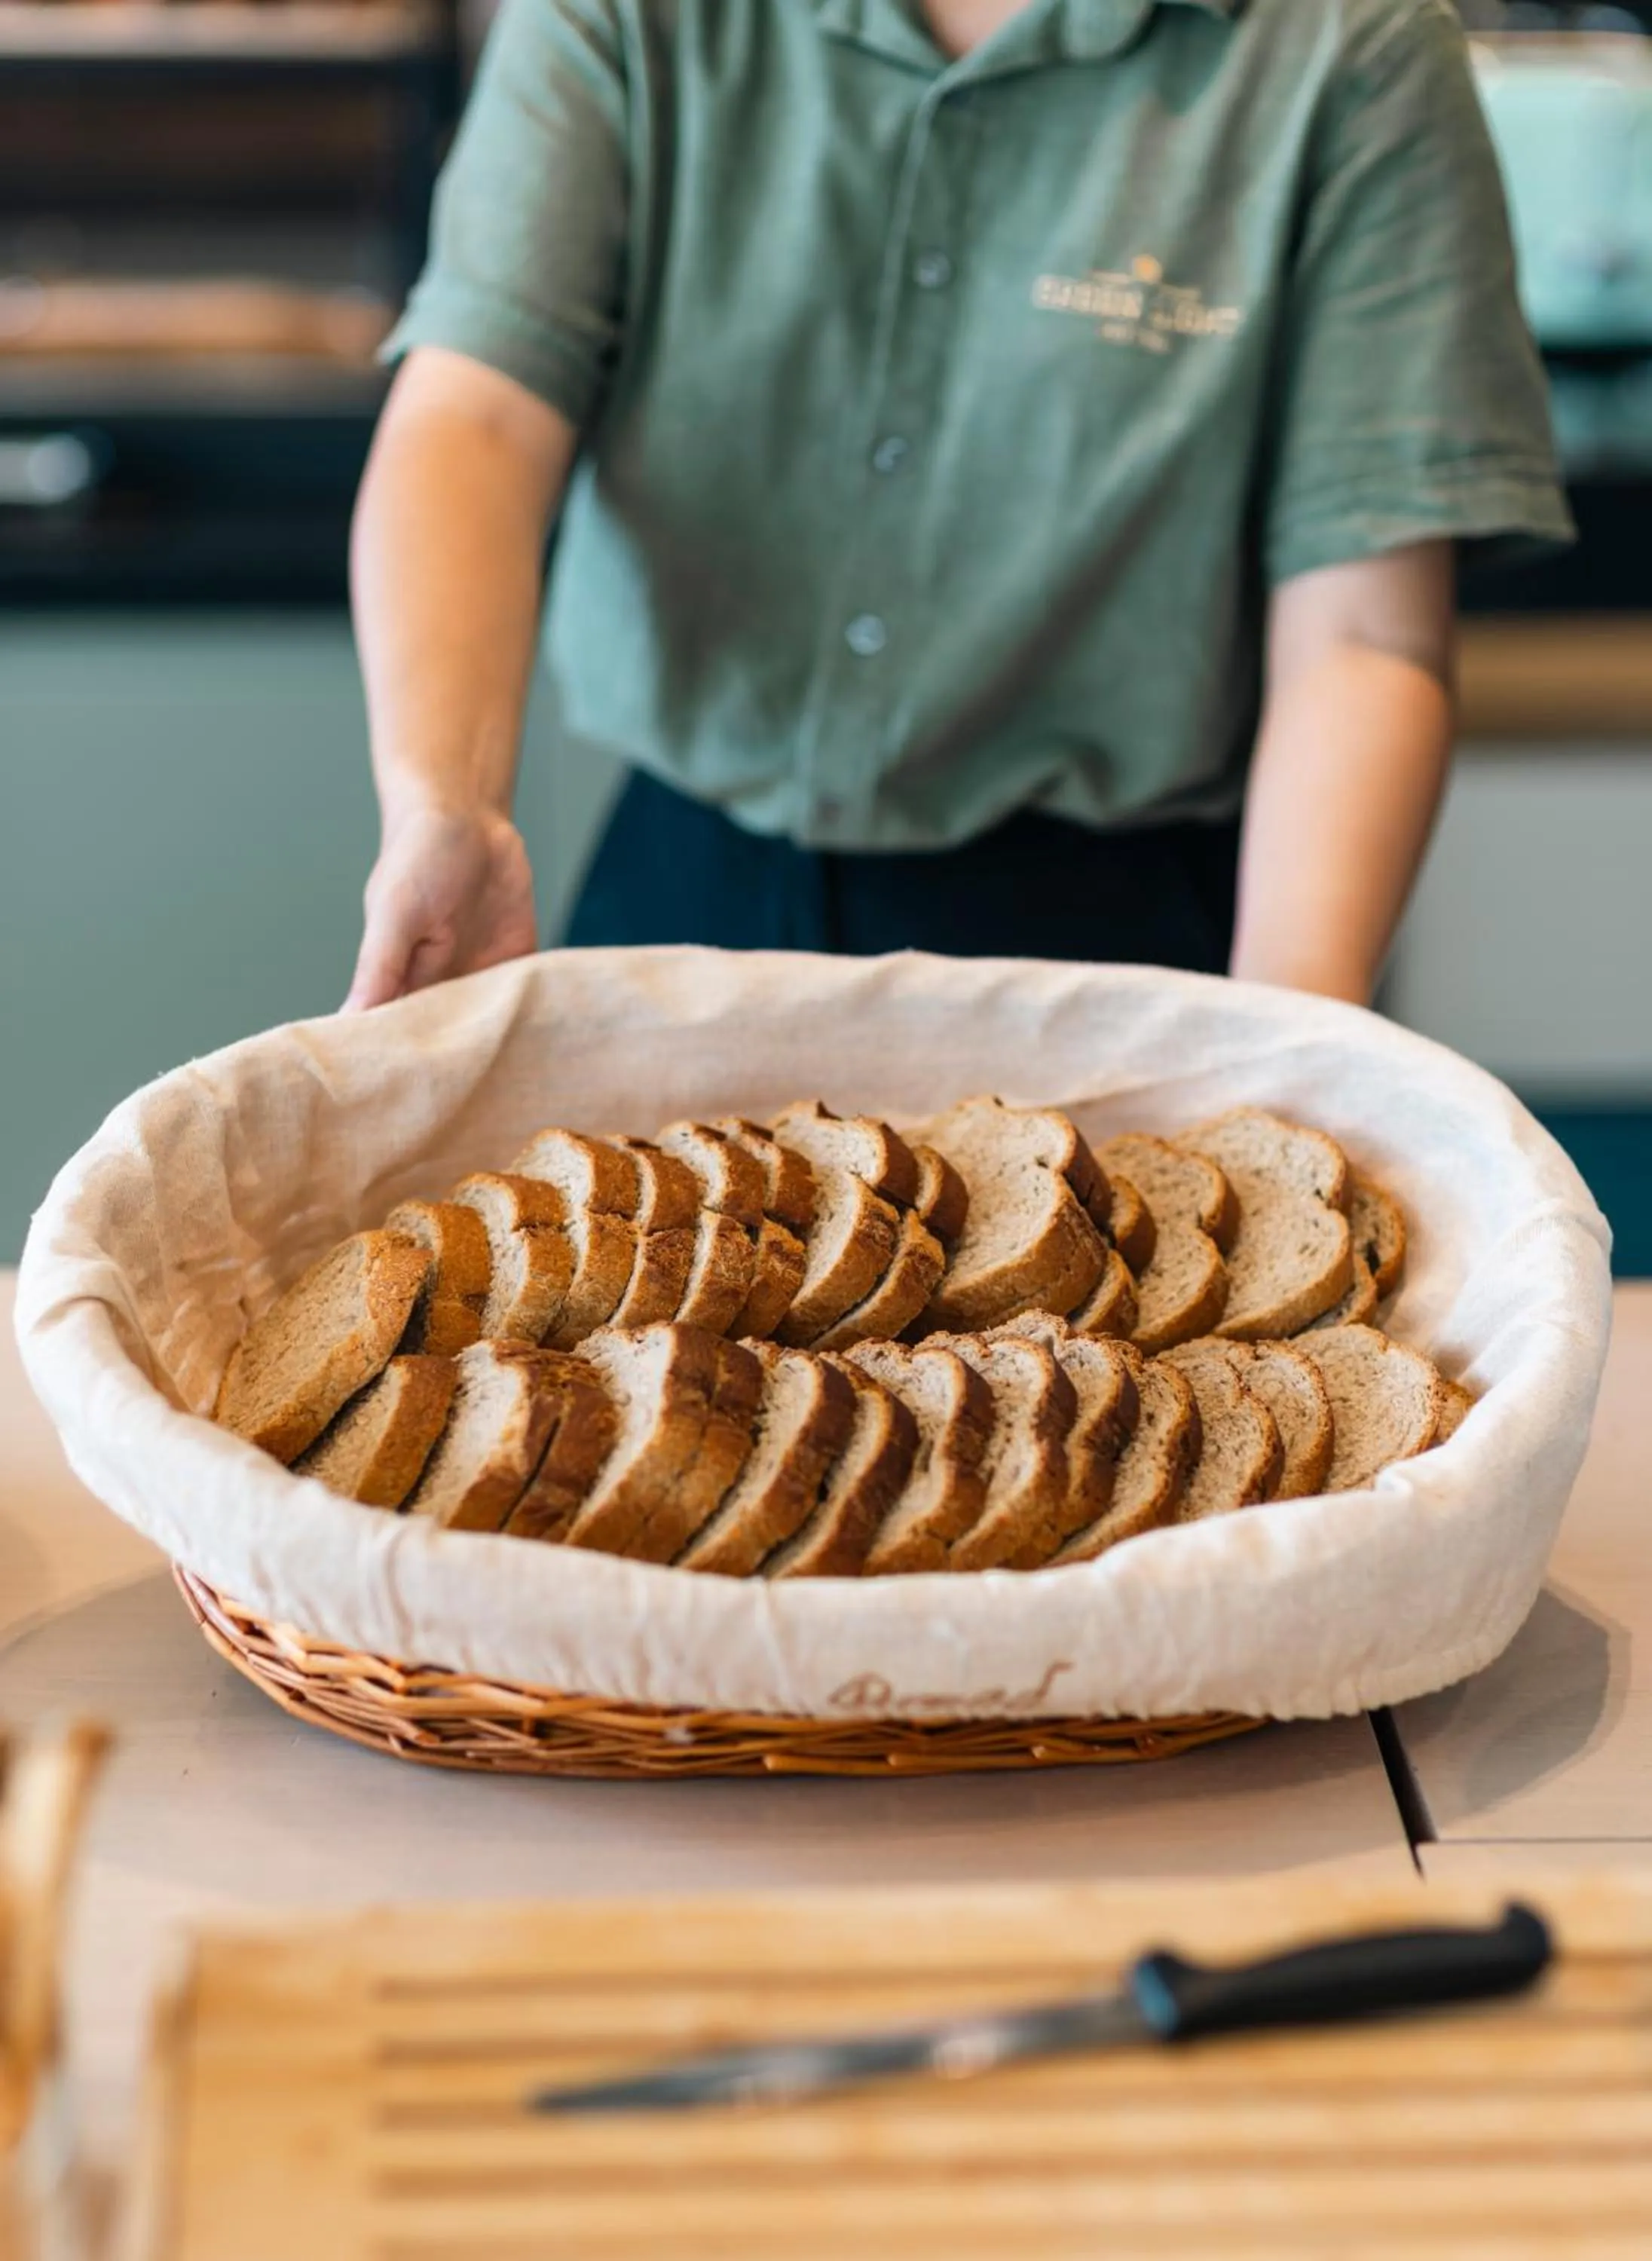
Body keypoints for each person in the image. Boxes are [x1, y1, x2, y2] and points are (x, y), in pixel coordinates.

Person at [344, 0, 1570, 1015]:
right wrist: (444, 804)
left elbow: (1365, 636)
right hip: (687, 900)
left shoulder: (1347, 49)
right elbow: (477, 419)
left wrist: (1290, 1021)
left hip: (1133, 939)